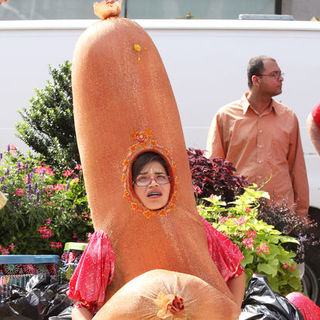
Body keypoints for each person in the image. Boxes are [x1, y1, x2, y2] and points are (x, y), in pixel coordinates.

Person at [70, 151, 246, 319]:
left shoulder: (196, 227)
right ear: (131, 187)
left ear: (171, 183)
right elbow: (81, 306)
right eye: (143, 178)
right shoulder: (108, 237)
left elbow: (236, 272)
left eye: (160, 177)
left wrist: (231, 313)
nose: (153, 183)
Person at [206, 55, 309, 218]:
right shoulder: (226, 116)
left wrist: (302, 213)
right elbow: (214, 167)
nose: (281, 79)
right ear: (256, 80)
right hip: (240, 211)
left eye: (281, 74)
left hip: (281, 212)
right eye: (274, 74)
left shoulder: (288, 117)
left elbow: (297, 167)